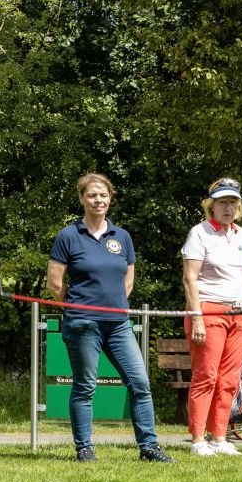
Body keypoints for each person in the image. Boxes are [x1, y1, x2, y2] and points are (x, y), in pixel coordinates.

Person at [47, 173, 175, 463]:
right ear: (82, 199)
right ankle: (84, 448)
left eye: (103, 195)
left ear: (110, 198)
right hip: (83, 324)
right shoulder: (69, 236)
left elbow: (128, 279)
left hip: (118, 324)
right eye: (92, 195)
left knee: (140, 384)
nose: (98, 200)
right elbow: (55, 284)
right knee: (85, 386)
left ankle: (149, 447)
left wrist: (115, 304)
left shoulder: (122, 237)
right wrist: (78, 306)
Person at [181, 177, 242, 457]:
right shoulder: (199, 233)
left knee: (229, 379)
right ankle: (198, 439)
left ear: (239, 207)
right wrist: (197, 317)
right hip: (209, 309)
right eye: (222, 202)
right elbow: (190, 278)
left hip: (240, 313)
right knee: (206, 376)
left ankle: (219, 437)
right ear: (211, 206)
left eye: (233, 202)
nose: (228, 208)